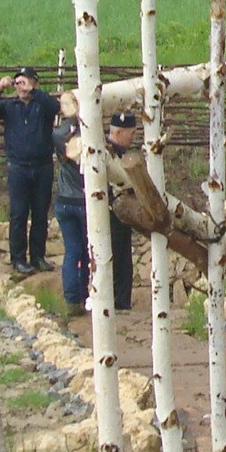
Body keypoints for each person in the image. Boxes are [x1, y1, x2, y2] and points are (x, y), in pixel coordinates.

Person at [0, 66, 58, 275]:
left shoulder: (42, 105)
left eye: (27, 81)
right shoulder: (9, 106)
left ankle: (38, 256)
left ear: (35, 83)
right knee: (19, 214)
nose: (22, 86)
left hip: (42, 166)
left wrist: (33, 92)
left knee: (41, 213)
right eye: (19, 82)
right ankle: (18, 258)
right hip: (18, 168)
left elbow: (55, 106)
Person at [51, 92, 88, 315]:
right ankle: (83, 294)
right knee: (85, 251)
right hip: (83, 199)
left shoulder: (57, 133)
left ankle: (72, 298)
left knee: (72, 250)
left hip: (63, 199)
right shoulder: (90, 134)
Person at [103, 110, 140, 312]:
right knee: (118, 256)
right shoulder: (108, 154)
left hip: (121, 211)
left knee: (122, 254)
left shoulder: (121, 153)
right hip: (112, 209)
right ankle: (119, 300)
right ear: (119, 133)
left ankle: (121, 299)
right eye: (131, 133)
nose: (133, 137)